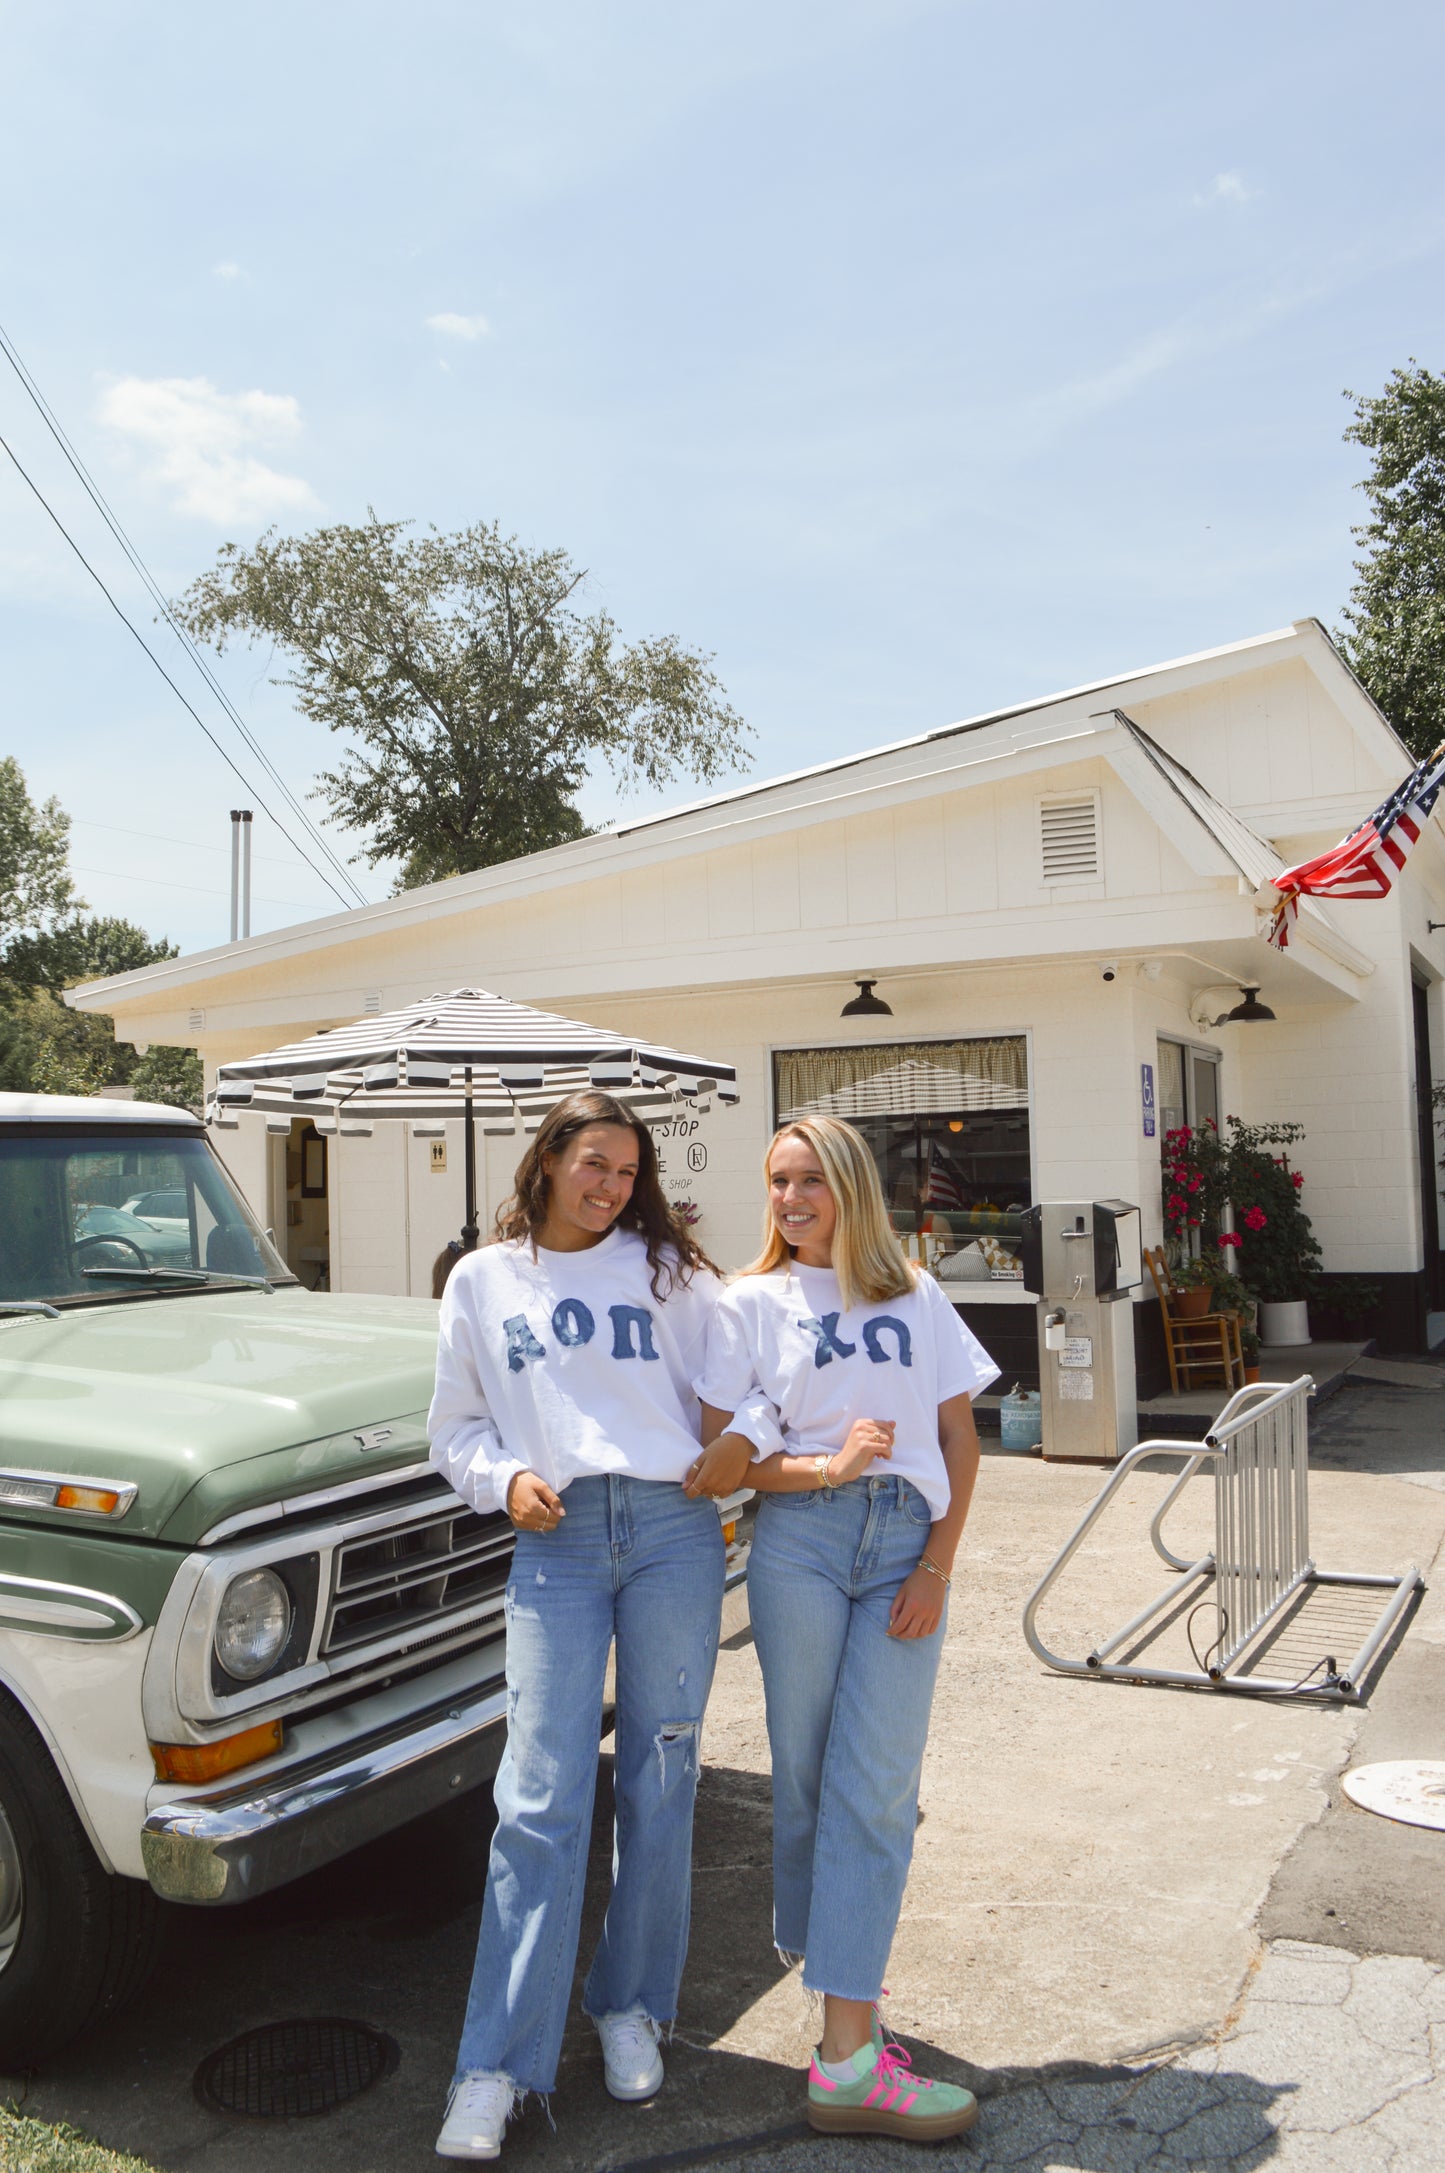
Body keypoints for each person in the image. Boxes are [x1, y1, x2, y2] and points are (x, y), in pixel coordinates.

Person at [426, 1091, 770, 2160]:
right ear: (547, 1161)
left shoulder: (669, 1273)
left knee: (661, 1775)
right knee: (536, 1795)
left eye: (626, 1171)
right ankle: (496, 2064)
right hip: (558, 1537)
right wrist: (504, 1475)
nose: (609, 1185)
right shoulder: (485, 1280)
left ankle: (629, 2004)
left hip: (672, 1530)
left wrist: (741, 1444)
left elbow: (759, 1385)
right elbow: (455, 1429)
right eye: (592, 1163)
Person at [696, 1113, 997, 2143]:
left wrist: (936, 1566)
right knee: (810, 1782)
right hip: (799, 1546)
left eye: (809, 1181)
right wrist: (823, 1467)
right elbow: (726, 1463)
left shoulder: (912, 1293)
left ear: (849, 1188)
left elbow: (959, 1439)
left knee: (875, 1787)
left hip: (901, 1549)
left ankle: (846, 2058)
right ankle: (845, 2017)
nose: (789, 1200)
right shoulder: (745, 1303)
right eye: (777, 1182)